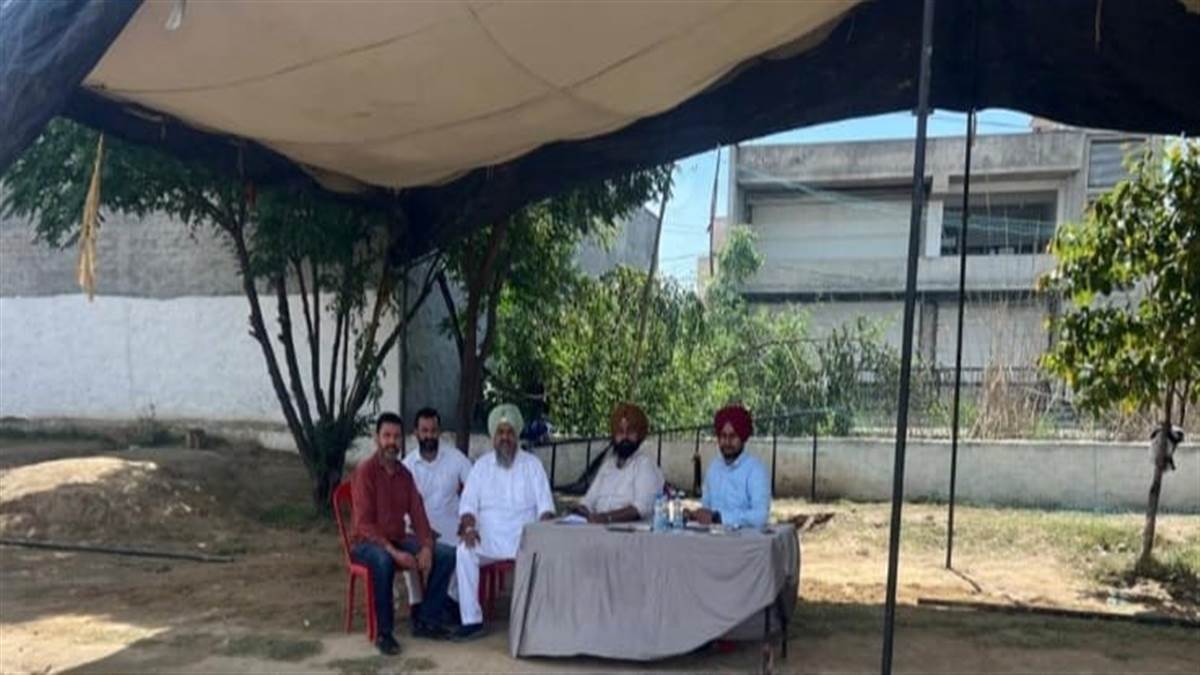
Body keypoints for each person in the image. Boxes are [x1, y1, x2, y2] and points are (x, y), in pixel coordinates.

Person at [350, 413, 455, 655]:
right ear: (377, 438)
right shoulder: (366, 472)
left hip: (397, 539)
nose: (392, 442)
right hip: (366, 544)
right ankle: (384, 634)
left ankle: (426, 620)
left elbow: (418, 515)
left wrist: (426, 546)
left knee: (446, 555)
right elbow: (364, 525)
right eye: (386, 436)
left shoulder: (405, 475)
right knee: (383, 561)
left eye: (396, 437)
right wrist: (395, 553)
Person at [452, 404, 555, 640]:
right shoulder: (481, 466)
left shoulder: (532, 465)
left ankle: (534, 620)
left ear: (517, 436)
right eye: (500, 433)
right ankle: (471, 621)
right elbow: (468, 506)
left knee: (545, 552)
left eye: (510, 432)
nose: (505, 438)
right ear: (493, 437)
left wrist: (542, 535)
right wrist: (469, 527)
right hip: (488, 537)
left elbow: (546, 509)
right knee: (464, 551)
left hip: (524, 539)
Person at [400, 407, 472, 621]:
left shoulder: (456, 458)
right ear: (416, 433)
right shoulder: (407, 466)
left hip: (452, 526)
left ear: (439, 432)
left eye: (433, 431)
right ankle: (416, 602)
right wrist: (420, 531)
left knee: (463, 549)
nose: (429, 436)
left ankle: (451, 600)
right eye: (424, 431)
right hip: (418, 527)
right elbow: (402, 509)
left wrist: (468, 521)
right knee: (410, 546)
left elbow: (475, 489)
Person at [573, 402, 663, 523]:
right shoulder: (607, 466)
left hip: (631, 532)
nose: (625, 437)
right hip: (598, 529)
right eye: (620, 432)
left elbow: (641, 508)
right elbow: (588, 502)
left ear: (639, 435)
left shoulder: (645, 465)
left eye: (630, 432)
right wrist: (579, 510)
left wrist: (607, 518)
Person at [686, 404, 770, 529]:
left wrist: (720, 518)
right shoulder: (714, 468)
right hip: (713, 537)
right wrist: (694, 515)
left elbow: (760, 516)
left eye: (732, 436)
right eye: (723, 436)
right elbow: (707, 508)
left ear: (742, 438)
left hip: (745, 539)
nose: (727, 442)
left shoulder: (755, 470)